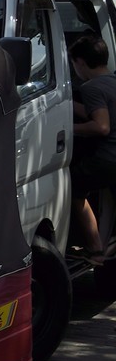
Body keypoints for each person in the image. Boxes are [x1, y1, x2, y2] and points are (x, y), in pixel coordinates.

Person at [69, 34, 116, 257]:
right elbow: (94, 109)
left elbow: (101, 126)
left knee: (73, 188)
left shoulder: (91, 87)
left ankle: (94, 247)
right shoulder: (111, 82)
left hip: (106, 159)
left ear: (80, 63)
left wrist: (68, 128)